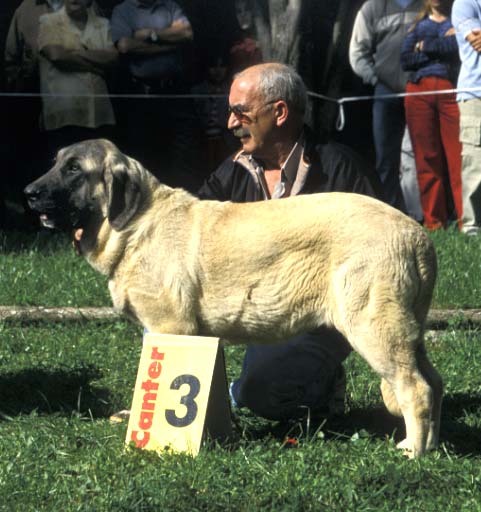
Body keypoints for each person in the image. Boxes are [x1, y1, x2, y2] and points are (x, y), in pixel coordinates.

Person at [197, 63, 381, 421]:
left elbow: (383, 252)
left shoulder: (342, 169)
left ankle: (319, 383)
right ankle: (184, 408)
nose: (230, 123)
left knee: (260, 392)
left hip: (321, 314)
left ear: (279, 112)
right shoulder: (232, 171)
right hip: (252, 310)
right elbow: (185, 228)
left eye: (240, 112)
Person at [110, 0, 201, 191]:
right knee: (147, 159)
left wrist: (149, 35)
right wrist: (169, 44)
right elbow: (125, 46)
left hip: (175, 92)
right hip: (143, 97)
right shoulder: (123, 10)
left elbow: (186, 33)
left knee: (183, 158)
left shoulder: (170, 6)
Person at [349, 0, 423, 212]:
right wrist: (375, 79)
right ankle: (391, 212)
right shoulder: (372, 7)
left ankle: (421, 216)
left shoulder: (427, 5)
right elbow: (357, 52)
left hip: (421, 90)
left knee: (420, 157)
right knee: (386, 159)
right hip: (385, 93)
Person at [401, 0, 463, 230]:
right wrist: (441, 44)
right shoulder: (416, 26)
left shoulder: (459, 20)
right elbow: (405, 60)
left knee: (458, 157)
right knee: (427, 158)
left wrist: (424, 46)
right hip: (419, 93)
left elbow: (456, 48)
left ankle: (467, 221)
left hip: (451, 90)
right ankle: (434, 222)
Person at [38, 0, 118, 158]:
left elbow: (112, 57)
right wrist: (94, 66)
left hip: (99, 115)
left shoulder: (103, 24)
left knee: (96, 172)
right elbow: (57, 55)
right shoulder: (49, 22)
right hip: (65, 115)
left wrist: (77, 53)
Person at [452, 0, 481, 235]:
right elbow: (477, 41)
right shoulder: (465, 2)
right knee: (476, 161)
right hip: (475, 94)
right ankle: (472, 230)